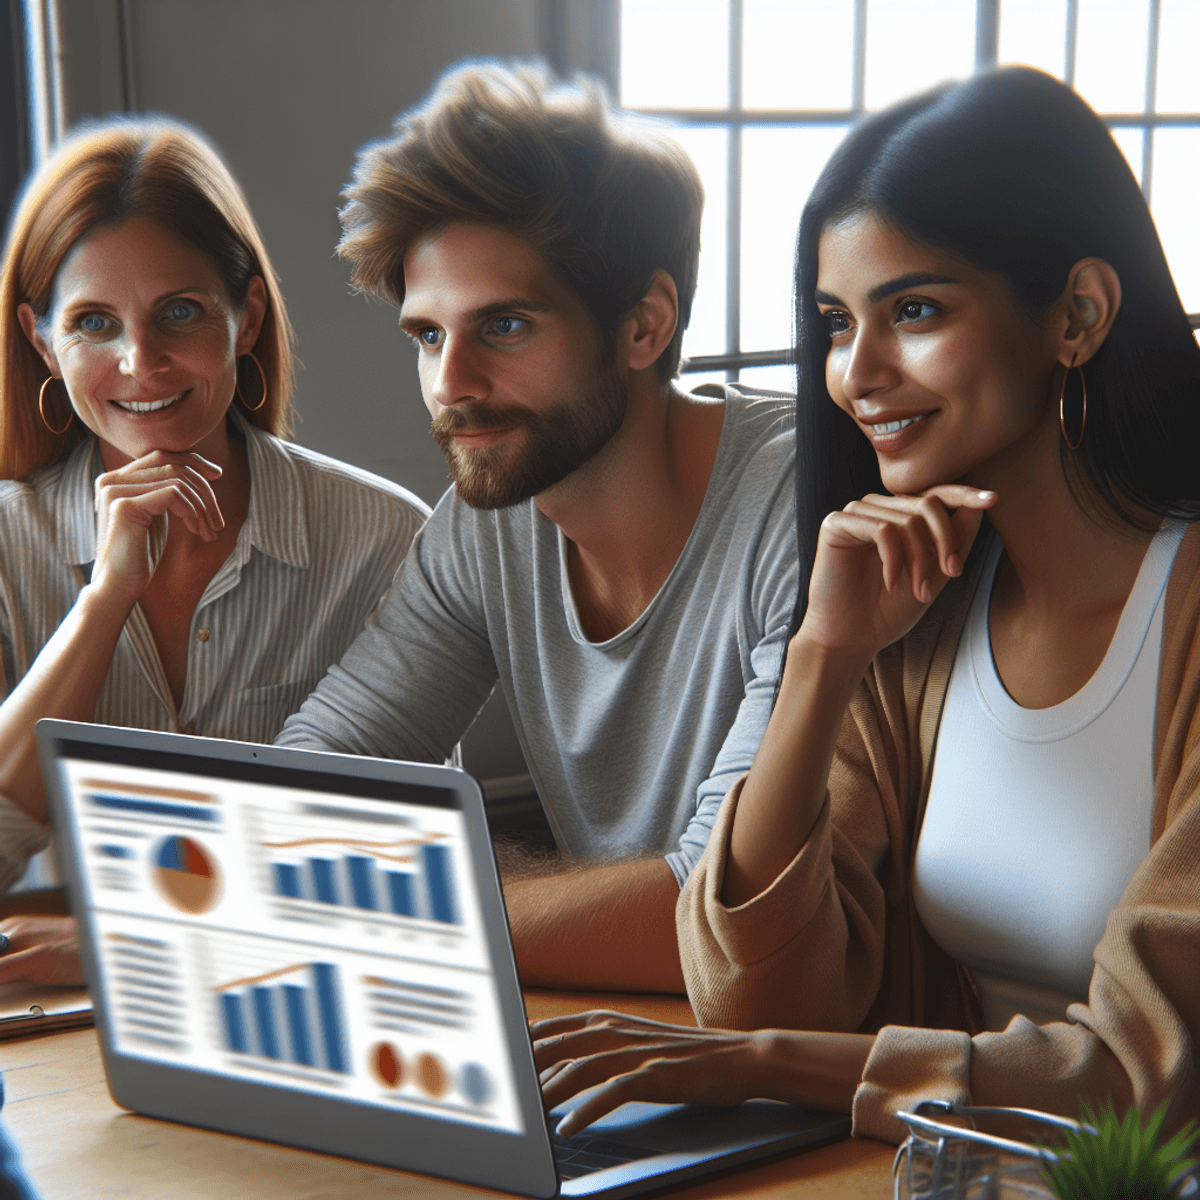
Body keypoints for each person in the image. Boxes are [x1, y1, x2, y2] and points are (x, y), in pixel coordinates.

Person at [532, 67, 1200, 1141]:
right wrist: (823, 655)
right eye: (838, 323)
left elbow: (1151, 1074)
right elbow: (756, 993)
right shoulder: (917, 608)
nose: (857, 372)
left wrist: (765, 1065)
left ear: (1077, 313)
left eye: (916, 310)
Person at [276, 62, 796, 993]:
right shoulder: (490, 521)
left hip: (825, 1069)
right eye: (427, 336)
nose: (451, 385)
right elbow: (306, 785)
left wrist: (374, 906)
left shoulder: (796, 508)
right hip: (614, 1037)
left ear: (644, 326)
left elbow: (712, 916)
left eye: (504, 326)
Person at [0, 117, 429, 984]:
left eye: (180, 313)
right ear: (43, 343)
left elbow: (407, 861)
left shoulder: (384, 538)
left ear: (247, 317)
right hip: (58, 1034)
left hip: (307, 991)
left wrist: (134, 943)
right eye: (93, 323)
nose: (141, 362)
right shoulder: (8, 543)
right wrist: (101, 604)